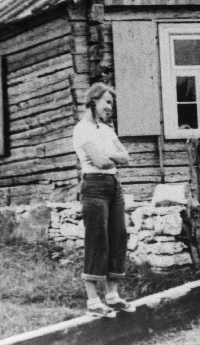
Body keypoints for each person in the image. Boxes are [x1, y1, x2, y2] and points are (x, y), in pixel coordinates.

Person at [73, 83, 136, 317]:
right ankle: (93, 301)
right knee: (97, 239)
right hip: (94, 186)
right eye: (107, 102)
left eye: (112, 103)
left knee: (118, 237)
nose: (111, 107)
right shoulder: (82, 129)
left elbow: (125, 157)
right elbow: (100, 163)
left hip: (114, 186)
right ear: (94, 101)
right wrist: (110, 157)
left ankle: (112, 296)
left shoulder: (108, 130)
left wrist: (107, 155)